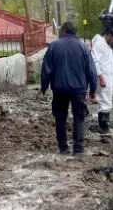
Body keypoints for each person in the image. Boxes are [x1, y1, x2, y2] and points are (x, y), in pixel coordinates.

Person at [40, 21, 98, 155]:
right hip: (79, 90)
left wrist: (43, 87)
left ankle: (63, 148)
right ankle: (78, 148)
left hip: (59, 89)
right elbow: (91, 70)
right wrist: (93, 90)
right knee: (79, 117)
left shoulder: (54, 46)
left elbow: (46, 69)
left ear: (64, 31)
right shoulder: (83, 47)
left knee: (60, 117)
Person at [90, 28, 113, 133]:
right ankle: (104, 127)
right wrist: (100, 77)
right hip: (103, 79)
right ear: (109, 35)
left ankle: (105, 126)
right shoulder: (100, 44)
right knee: (105, 102)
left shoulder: (106, 46)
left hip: (107, 78)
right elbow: (95, 61)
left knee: (106, 101)